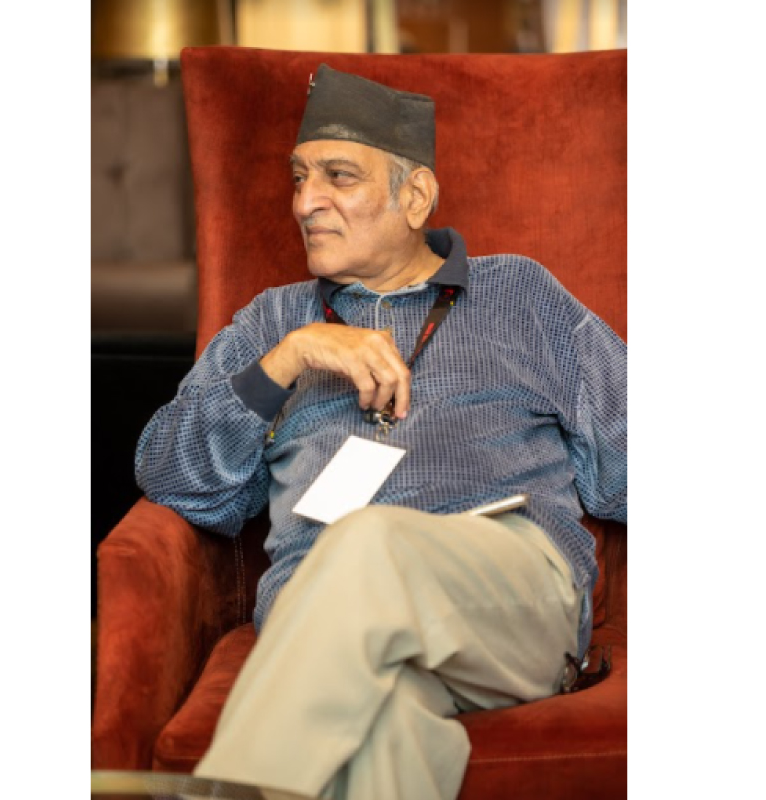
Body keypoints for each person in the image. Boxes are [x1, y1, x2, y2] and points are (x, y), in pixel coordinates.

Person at [134, 64, 626, 800]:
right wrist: (289, 360)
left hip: (505, 598)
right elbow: (172, 476)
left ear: (416, 197)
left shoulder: (519, 296)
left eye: (338, 176)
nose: (305, 202)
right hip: (326, 629)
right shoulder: (273, 323)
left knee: (366, 540)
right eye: (299, 177)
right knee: (382, 739)